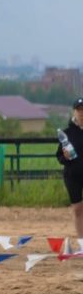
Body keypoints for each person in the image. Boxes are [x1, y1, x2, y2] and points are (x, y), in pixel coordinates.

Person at [57, 97, 83, 245]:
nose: (82, 113)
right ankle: (81, 244)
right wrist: (65, 157)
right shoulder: (66, 133)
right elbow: (59, 156)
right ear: (74, 112)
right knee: (78, 209)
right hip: (72, 176)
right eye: (79, 110)